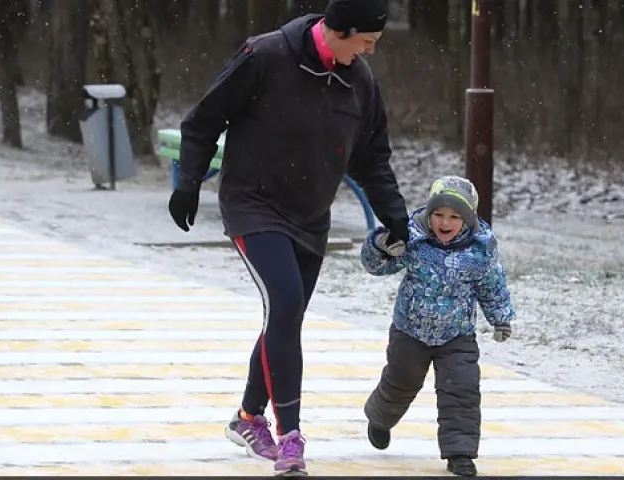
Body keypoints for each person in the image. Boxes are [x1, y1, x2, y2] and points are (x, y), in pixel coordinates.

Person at [167, 0, 410, 476]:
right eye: (365, 41)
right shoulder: (266, 56)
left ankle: (248, 417)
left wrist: (396, 218)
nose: (369, 51)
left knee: (287, 312)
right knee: (283, 302)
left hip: (310, 216)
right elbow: (204, 119)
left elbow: (371, 159)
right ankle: (291, 436)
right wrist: (188, 182)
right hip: (253, 204)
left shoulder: (359, 80)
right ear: (338, 30)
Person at [359, 175, 516, 477]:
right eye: (439, 214)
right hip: (410, 331)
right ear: (429, 215)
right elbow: (377, 266)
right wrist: (380, 245)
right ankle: (380, 417)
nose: (445, 222)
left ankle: (460, 453)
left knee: (462, 391)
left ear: (467, 220)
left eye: (455, 216)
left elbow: (492, 285)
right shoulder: (413, 240)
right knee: (400, 383)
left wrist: (500, 317)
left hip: (457, 336)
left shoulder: (479, 251)